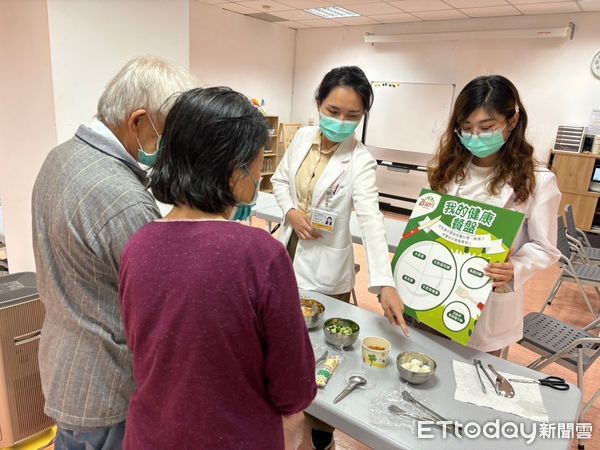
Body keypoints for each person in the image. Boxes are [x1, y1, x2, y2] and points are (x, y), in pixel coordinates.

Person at [119, 87, 317, 450]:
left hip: (149, 436)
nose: (260, 174)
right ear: (233, 170)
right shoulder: (261, 254)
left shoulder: (138, 244)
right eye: (258, 161)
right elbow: (294, 389)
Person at [31, 57, 197, 449]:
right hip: (107, 387)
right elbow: (162, 304)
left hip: (64, 367)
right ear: (138, 121)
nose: (170, 146)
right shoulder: (122, 200)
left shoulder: (60, 157)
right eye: (167, 132)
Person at [272, 66, 408, 450]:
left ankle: (321, 436)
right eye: (333, 111)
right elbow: (281, 180)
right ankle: (283, 414)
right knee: (284, 346)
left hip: (326, 270)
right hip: (288, 254)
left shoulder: (361, 161)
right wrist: (291, 212)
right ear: (318, 103)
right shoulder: (300, 138)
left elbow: (372, 219)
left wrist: (384, 282)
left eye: (353, 116)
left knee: (324, 357)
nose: (341, 121)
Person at [427, 74, 561, 355]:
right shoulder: (449, 168)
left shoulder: (538, 180)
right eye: (466, 128)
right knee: (426, 363)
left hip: (488, 299)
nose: (475, 136)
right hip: (436, 290)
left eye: (486, 127)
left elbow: (545, 248)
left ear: (512, 121)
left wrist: (516, 269)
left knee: (473, 377)